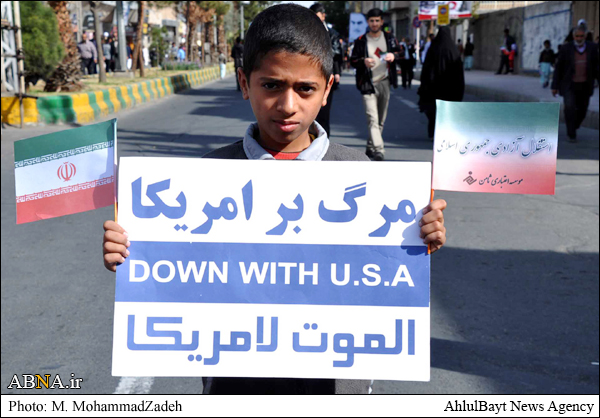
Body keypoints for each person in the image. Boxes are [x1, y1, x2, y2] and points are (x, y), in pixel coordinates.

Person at [102, 3, 448, 395]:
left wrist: (417, 240)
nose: (288, 105)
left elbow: (383, 280)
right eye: (271, 86)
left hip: (335, 389)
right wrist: (131, 254)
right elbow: (178, 280)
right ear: (244, 82)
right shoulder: (203, 179)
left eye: (305, 89)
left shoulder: (365, 177)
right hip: (234, 387)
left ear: (327, 89)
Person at [350, 8, 401, 161]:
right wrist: (363, 61)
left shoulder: (389, 38)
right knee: (372, 118)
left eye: (377, 21)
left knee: (380, 120)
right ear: (368, 22)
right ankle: (379, 150)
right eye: (371, 21)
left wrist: (393, 55)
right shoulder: (361, 40)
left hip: (385, 82)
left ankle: (370, 146)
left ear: (381, 22)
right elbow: (353, 60)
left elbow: (401, 53)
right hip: (368, 83)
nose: (374, 23)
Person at [552, 24, 599, 143]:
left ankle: (575, 124)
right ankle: (571, 133)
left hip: (585, 85)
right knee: (569, 107)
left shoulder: (592, 48)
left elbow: (596, 67)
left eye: (581, 36)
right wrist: (554, 86)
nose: (579, 39)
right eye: (577, 36)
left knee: (583, 110)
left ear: (585, 36)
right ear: (573, 37)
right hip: (569, 85)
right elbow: (559, 68)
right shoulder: (566, 49)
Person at [418, 26, 465, 140]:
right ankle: (447, 133)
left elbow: (426, 69)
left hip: (433, 88)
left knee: (434, 111)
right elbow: (459, 72)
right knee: (448, 112)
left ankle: (433, 133)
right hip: (450, 88)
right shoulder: (453, 50)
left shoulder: (433, 48)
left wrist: (424, 85)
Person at [310, 2, 343, 138]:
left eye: (317, 17)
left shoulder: (332, 34)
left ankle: (323, 142)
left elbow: (337, 52)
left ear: (323, 16)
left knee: (324, 113)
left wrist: (337, 72)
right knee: (309, 113)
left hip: (326, 75)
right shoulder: (305, 32)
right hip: (309, 76)